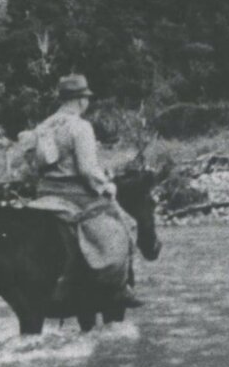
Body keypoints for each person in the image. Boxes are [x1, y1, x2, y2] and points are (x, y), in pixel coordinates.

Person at [15, 73, 140, 306]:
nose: (87, 103)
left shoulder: (43, 126)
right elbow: (87, 170)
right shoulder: (81, 127)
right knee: (125, 222)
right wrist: (106, 186)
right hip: (75, 195)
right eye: (86, 99)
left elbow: (32, 166)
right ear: (81, 100)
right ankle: (119, 287)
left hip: (44, 193)